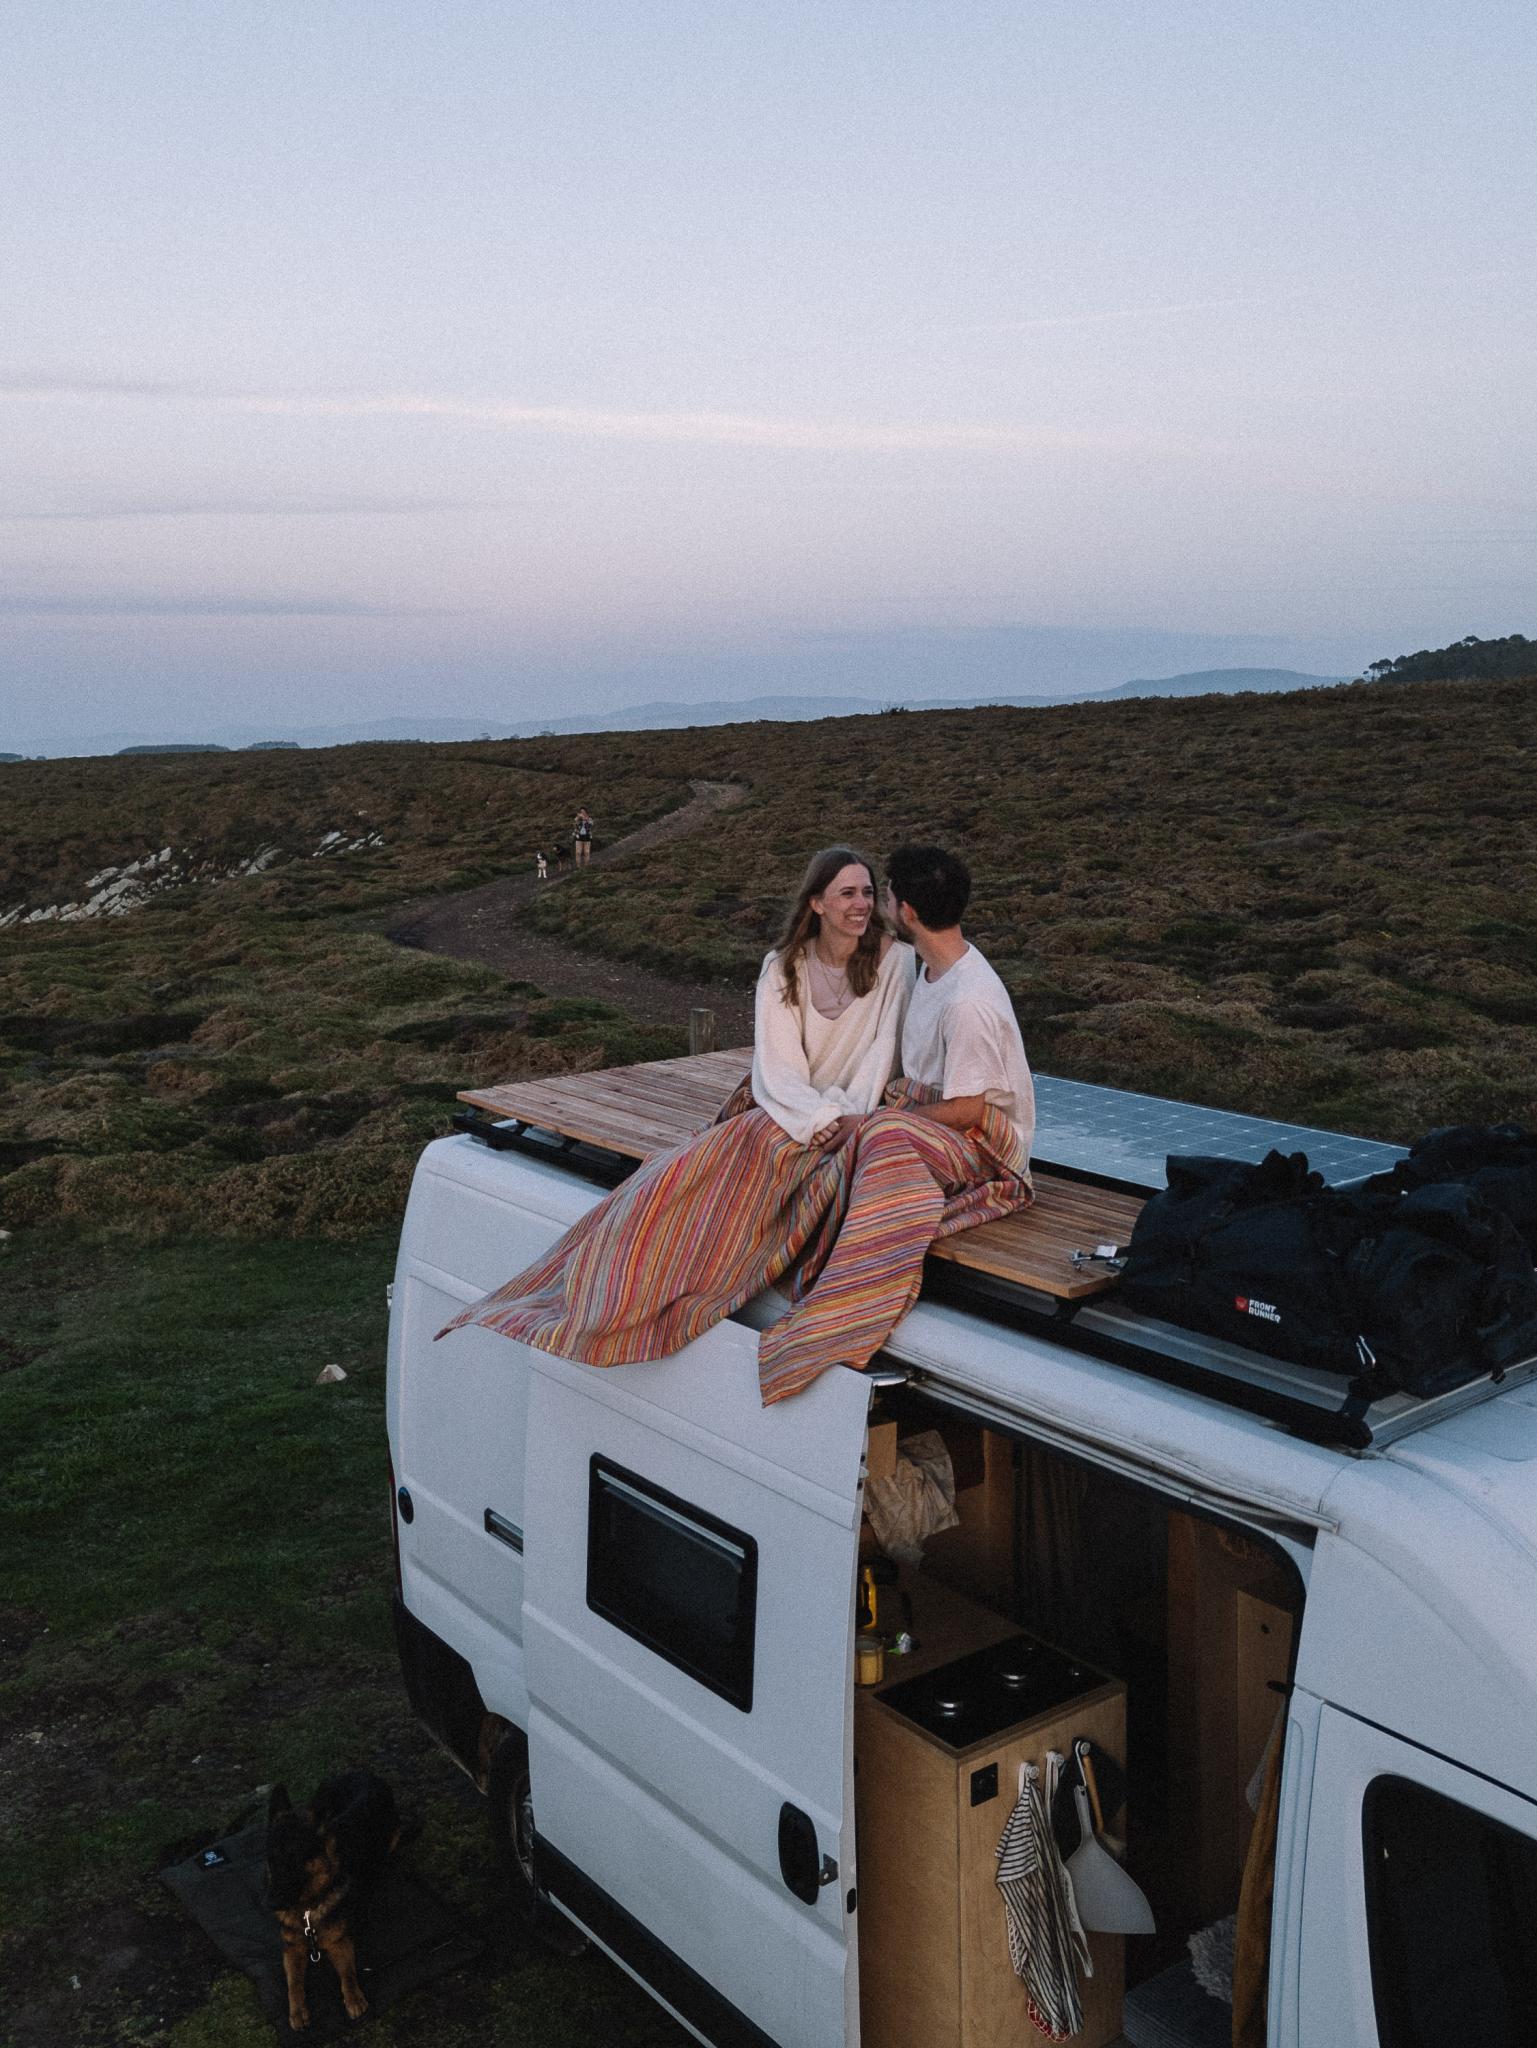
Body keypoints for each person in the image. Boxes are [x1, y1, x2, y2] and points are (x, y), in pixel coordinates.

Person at [438, 846, 915, 1385]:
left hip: (853, 1114)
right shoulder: (782, 967)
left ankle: (687, 1297)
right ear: (817, 903)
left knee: (747, 1214)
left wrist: (846, 1118)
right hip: (787, 1108)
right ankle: (592, 1297)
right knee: (673, 1183)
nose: (860, 904)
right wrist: (817, 1117)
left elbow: (883, 1052)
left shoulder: (896, 961)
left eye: (868, 892)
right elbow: (778, 1068)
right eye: (847, 893)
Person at [752, 844, 1034, 1403]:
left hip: (985, 1142)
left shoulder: (968, 999)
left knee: (881, 1136)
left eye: (876, 893)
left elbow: (970, 1111)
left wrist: (871, 1122)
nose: (868, 904)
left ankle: (845, 1312)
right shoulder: (929, 968)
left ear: (903, 911)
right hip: (935, 1116)